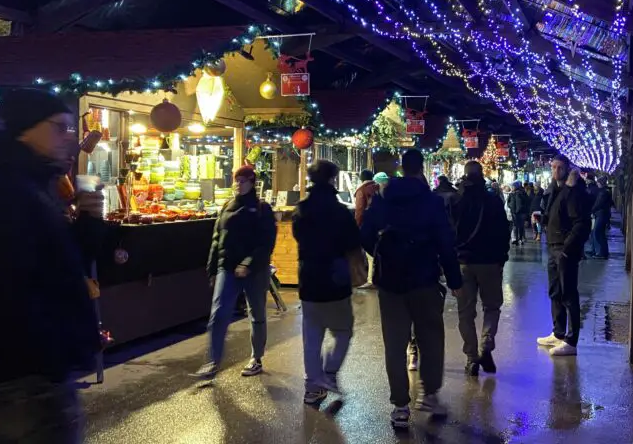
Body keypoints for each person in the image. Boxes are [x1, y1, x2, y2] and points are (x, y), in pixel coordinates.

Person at [0, 88, 103, 444]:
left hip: (35, 369)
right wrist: (55, 348)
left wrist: (88, 224)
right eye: (60, 127)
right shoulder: (5, 192)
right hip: (28, 373)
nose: (67, 138)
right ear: (28, 129)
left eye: (70, 129)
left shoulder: (33, 186)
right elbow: (10, 283)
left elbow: (58, 261)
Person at [361, 149, 462, 429]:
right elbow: (445, 242)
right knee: (431, 339)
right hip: (424, 279)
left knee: (394, 344)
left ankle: (400, 406)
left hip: (391, 282)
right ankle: (429, 395)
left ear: (401, 168)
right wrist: (454, 280)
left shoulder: (383, 199)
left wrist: (383, 256)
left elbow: (365, 235)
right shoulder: (430, 202)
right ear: (420, 170)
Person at [194, 165, 277, 380]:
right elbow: (216, 238)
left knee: (257, 314)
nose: (238, 185)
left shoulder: (261, 209)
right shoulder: (227, 206)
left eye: (243, 181)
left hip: (255, 271)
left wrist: (248, 263)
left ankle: (256, 357)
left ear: (252, 183)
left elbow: (266, 242)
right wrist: (212, 267)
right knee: (218, 315)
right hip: (227, 268)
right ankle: (212, 361)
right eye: (236, 181)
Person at [292, 160, 361, 406]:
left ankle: (312, 386)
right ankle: (329, 372)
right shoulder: (340, 211)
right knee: (343, 331)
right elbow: (353, 242)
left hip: (308, 276)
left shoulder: (301, 209)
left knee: (312, 334)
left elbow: (298, 236)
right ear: (333, 178)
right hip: (336, 276)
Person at [452, 161, 509, 376]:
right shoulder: (493, 200)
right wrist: (502, 257)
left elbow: (449, 233)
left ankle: (471, 358)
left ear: (465, 176)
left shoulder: (457, 200)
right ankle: (486, 343)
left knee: (465, 313)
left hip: (464, 263)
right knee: (492, 307)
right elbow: (504, 231)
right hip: (490, 263)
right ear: (482, 175)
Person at [536, 156, 593, 357]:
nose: (555, 170)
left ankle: (571, 340)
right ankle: (558, 332)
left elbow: (580, 223)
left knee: (568, 294)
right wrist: (543, 219)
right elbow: (557, 216)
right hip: (554, 247)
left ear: (567, 169)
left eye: (559, 167)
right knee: (555, 291)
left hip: (563, 250)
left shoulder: (573, 192)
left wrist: (567, 249)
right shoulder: (556, 190)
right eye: (553, 167)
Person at [588, 177, 613, 259]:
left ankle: (600, 252)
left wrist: (591, 210)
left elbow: (598, 204)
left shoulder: (603, 193)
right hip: (603, 214)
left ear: (600, 183)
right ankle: (604, 252)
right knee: (601, 233)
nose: (597, 184)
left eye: (598, 183)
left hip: (601, 214)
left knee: (597, 232)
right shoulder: (606, 191)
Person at [507, 181, 531, 246]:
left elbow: (527, 202)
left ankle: (520, 238)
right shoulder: (511, 194)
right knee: (515, 226)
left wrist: (522, 208)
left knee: (520, 226)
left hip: (521, 213)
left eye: (513, 186)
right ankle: (516, 239)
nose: (512, 187)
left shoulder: (522, 193)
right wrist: (511, 207)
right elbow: (508, 202)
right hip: (514, 212)